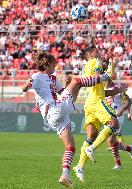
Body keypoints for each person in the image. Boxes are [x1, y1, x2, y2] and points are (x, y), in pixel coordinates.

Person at [22, 51, 112, 188]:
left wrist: (67, 84)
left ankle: (65, 175)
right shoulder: (37, 76)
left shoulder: (52, 78)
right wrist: (27, 84)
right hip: (54, 109)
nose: (55, 67)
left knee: (70, 147)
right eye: (53, 64)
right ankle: (104, 77)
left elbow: (62, 91)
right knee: (77, 81)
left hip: (55, 115)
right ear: (47, 64)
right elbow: (24, 88)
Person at [73, 47, 132, 183]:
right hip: (96, 101)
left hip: (88, 102)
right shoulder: (96, 61)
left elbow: (101, 87)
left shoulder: (85, 68)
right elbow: (102, 77)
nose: (98, 52)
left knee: (91, 135)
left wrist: (117, 86)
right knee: (114, 123)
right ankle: (92, 148)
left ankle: (80, 166)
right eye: (96, 51)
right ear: (90, 54)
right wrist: (111, 67)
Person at [105, 80, 132, 164]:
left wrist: (122, 110)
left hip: (118, 117)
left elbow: (128, 101)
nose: (104, 82)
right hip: (107, 118)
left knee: (111, 140)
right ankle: (129, 148)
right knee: (110, 142)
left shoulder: (117, 89)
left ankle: (118, 164)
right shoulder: (102, 91)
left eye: (106, 80)